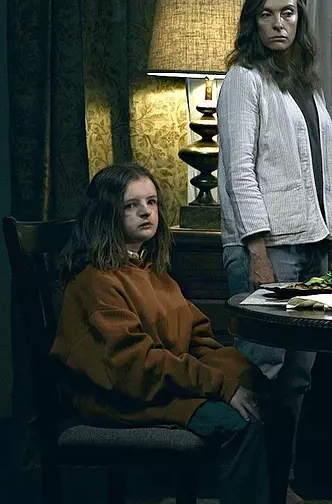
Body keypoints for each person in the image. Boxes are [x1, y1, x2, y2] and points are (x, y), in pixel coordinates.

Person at [51, 163, 276, 504]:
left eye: (151, 202)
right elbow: (136, 365)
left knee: (268, 398)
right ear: (106, 215)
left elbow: (198, 340)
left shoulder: (153, 273)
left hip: (159, 387)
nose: (146, 212)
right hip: (122, 399)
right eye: (131, 205)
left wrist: (243, 376)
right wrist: (222, 387)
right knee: (240, 425)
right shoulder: (96, 282)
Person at [218, 0, 332, 504]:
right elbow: (239, 170)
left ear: (299, 19)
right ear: (254, 20)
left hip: (311, 246)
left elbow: (322, 171)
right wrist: (257, 250)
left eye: (287, 13)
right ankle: (252, 492)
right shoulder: (243, 79)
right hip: (269, 248)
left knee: (297, 381)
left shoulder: (306, 83)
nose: (278, 23)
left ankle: (278, 487)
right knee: (264, 374)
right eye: (267, 14)